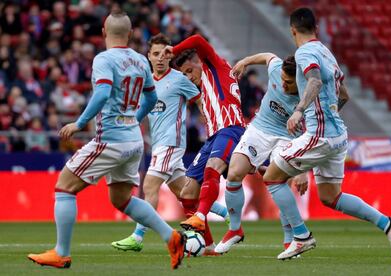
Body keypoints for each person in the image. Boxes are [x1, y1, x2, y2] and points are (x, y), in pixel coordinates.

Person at [27, 13, 186, 270]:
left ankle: (61, 253)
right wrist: (133, 119)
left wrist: (79, 124)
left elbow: (101, 93)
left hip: (110, 139)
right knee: (121, 199)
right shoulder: (139, 60)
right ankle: (172, 237)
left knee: (64, 187)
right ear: (131, 33)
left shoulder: (103, 59)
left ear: (103, 32)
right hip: (134, 141)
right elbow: (150, 97)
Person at [266, 7, 391, 260]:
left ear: (292, 30)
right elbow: (344, 95)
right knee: (330, 196)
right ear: (316, 29)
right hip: (338, 134)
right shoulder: (326, 52)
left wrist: (299, 111)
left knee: (272, 178)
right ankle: (388, 224)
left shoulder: (305, 52)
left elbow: (315, 81)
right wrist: (326, 118)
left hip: (321, 134)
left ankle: (301, 236)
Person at [110, 33, 229, 252]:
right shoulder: (146, 81)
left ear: (170, 55)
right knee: (185, 193)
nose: (160, 58)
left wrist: (209, 119)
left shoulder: (179, 79)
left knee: (149, 185)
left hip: (172, 143)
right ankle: (225, 214)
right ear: (149, 56)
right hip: (158, 144)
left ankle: (137, 237)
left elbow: (200, 98)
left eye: (165, 54)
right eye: (156, 54)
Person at [214, 53, 312, 256]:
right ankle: (234, 229)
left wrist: (303, 169)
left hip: (288, 137)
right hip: (259, 129)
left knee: (278, 182)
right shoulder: (277, 68)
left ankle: (290, 239)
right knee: (234, 173)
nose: (283, 85)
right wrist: (244, 61)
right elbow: (268, 56)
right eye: (283, 80)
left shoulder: (308, 95)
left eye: (289, 83)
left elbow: (312, 131)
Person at [162, 35, 246, 251]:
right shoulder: (201, 90)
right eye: (184, 75)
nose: (189, 77)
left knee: (213, 168)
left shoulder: (213, 64)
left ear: (200, 61)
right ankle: (207, 247)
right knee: (188, 192)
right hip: (213, 137)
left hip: (231, 129)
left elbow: (198, 40)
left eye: (190, 71)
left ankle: (200, 216)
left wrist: (174, 49)